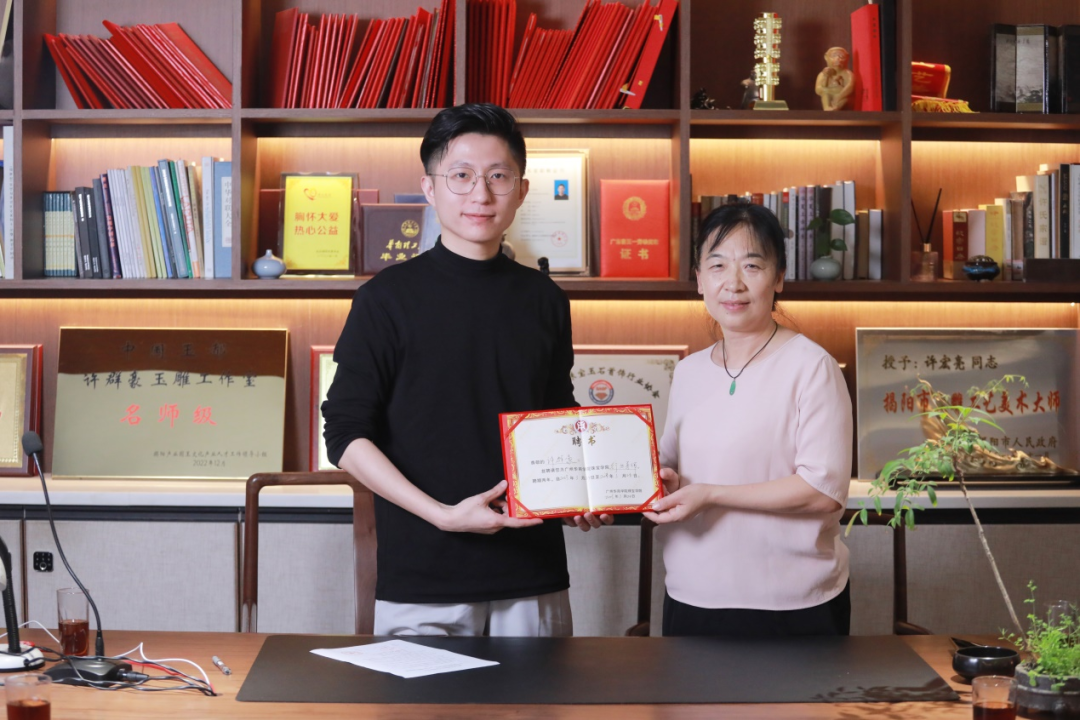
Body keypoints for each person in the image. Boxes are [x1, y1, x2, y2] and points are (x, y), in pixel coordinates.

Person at [322, 103, 608, 639]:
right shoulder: (385, 299)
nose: (481, 194)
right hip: (424, 574)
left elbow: (556, 416)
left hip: (531, 570)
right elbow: (344, 434)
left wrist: (582, 492)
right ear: (430, 189)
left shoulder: (545, 299)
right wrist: (441, 514)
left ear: (521, 191)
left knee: (541, 692)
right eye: (461, 176)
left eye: (498, 176)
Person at [643, 202, 853, 638]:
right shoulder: (688, 371)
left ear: (778, 278)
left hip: (792, 601)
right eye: (717, 265)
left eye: (752, 265)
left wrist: (711, 495)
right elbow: (671, 468)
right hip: (692, 592)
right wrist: (661, 481)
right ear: (700, 280)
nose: (733, 283)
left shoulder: (812, 366)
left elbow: (822, 492)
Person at [815, 47, 855, 111]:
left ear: (847, 58)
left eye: (841, 56)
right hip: (830, 94)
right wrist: (826, 77)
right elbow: (818, 89)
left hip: (841, 97)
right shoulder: (822, 74)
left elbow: (850, 87)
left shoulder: (847, 73)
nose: (838, 59)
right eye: (833, 56)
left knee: (846, 99)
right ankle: (827, 108)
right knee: (825, 95)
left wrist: (839, 97)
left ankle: (835, 108)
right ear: (826, 57)